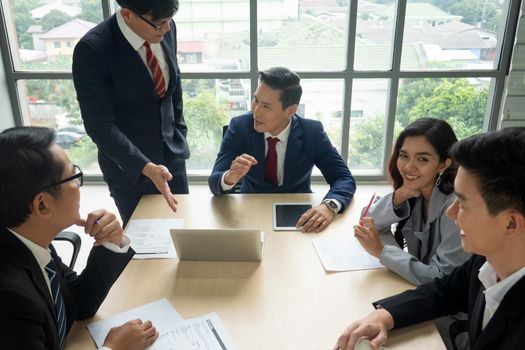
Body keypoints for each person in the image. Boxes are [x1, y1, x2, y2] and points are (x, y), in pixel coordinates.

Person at [334, 127, 525, 350]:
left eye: (462, 204)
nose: (450, 212)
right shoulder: (485, 263)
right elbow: (443, 291)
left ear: (511, 224)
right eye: (404, 156)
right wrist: (384, 316)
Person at [0, 127, 158, 350]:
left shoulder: (31, 240)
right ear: (42, 205)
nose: (78, 186)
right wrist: (113, 349)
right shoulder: (10, 298)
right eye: (73, 176)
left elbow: (79, 303)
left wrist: (111, 242)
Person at [73, 0, 189, 226]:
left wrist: (179, 132)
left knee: (184, 229)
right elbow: (99, 125)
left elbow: (172, 90)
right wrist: (145, 167)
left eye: (169, 21)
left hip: (172, 155)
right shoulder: (93, 49)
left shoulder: (165, 26)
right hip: (130, 169)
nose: (166, 29)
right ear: (127, 14)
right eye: (159, 24)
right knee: (146, 245)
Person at [208, 67, 356, 233]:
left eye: (266, 106)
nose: (256, 111)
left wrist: (329, 206)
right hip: (250, 209)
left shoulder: (312, 132)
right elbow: (214, 183)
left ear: (290, 110)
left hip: (298, 215)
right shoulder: (239, 126)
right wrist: (229, 177)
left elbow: (343, 178)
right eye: (255, 100)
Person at [354, 118, 471, 286]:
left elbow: (442, 278)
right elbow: (368, 221)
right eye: (403, 156)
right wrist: (399, 196)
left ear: (443, 164)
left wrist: (381, 252)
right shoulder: (417, 191)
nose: (409, 167)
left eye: (422, 159)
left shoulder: (455, 208)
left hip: (449, 308)